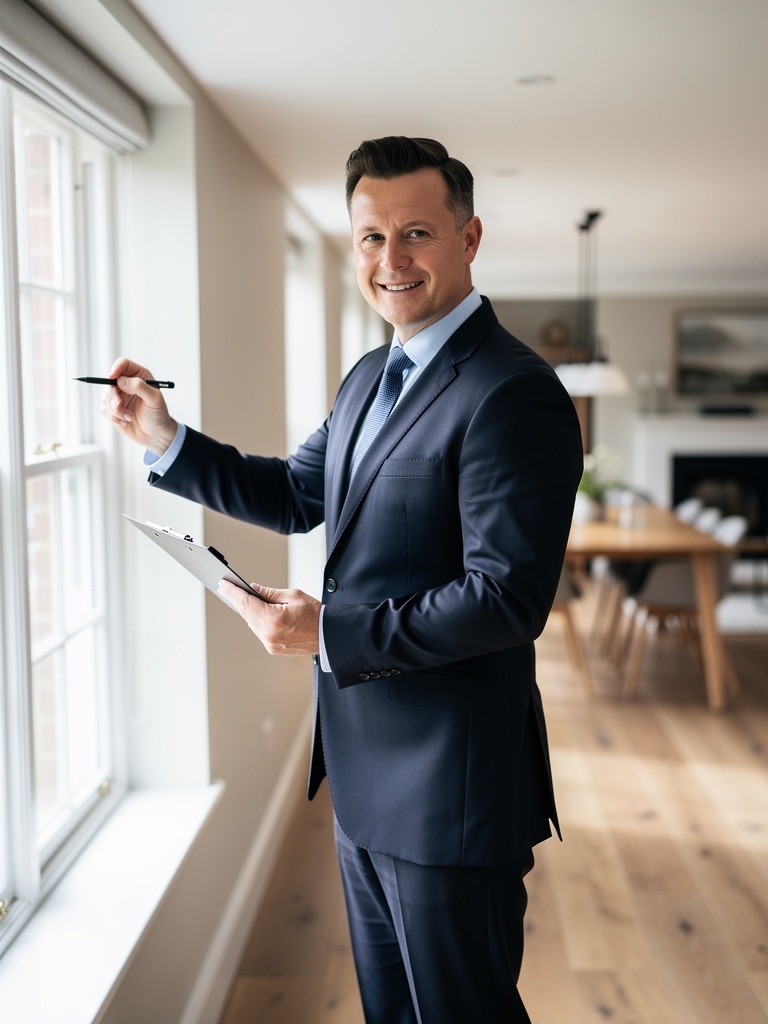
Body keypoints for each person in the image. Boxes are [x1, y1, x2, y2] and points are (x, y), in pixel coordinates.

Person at [104, 136, 583, 1024]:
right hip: (365, 776)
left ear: (469, 238)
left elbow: (507, 598)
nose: (390, 260)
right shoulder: (371, 376)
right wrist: (166, 439)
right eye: (370, 237)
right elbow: (295, 493)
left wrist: (328, 631)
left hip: (451, 789)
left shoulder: (513, 392)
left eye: (416, 234)